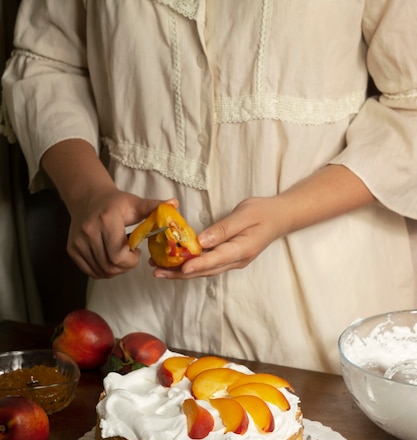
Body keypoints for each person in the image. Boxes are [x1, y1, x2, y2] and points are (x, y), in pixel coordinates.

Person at [2, 0, 417, 373]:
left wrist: (287, 211)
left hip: (324, 310)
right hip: (138, 307)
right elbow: (46, 63)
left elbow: (411, 104)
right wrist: (87, 193)